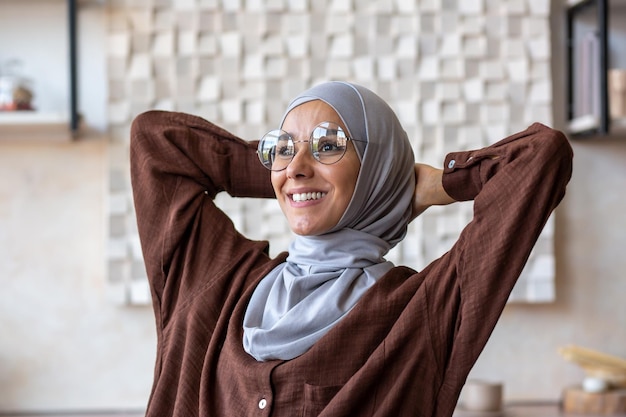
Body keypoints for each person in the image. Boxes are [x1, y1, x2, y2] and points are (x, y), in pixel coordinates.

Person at [130, 81, 573, 417]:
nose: (297, 166)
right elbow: (156, 141)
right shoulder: (215, 284)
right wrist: (288, 172)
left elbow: (541, 156)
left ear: (375, 170)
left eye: (328, 146)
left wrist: (425, 184)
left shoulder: (419, 313)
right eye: (283, 148)